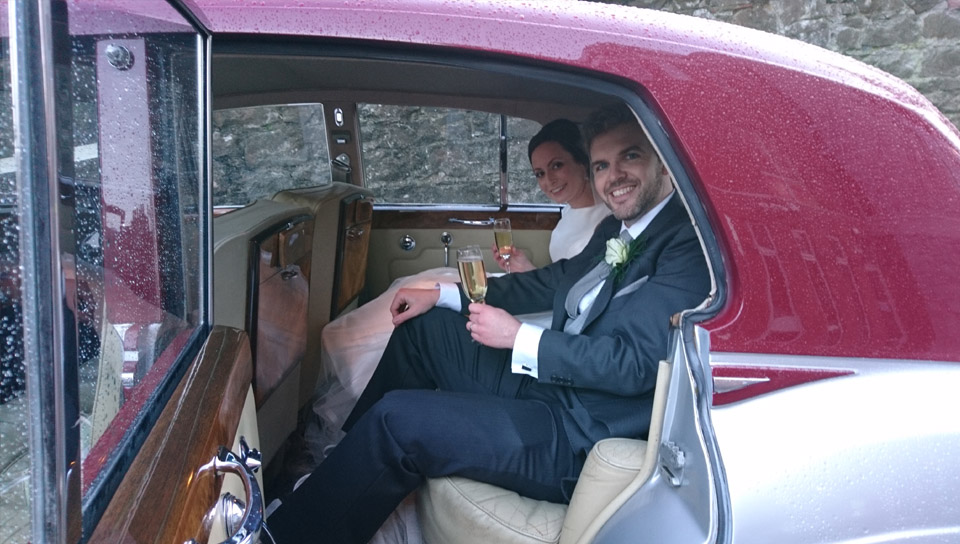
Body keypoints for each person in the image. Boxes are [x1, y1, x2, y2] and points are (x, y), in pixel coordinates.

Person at [269, 103, 711, 543]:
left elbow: (634, 362)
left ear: (660, 158)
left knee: (398, 421)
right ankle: (341, 466)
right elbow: (549, 281)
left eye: (629, 156)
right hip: (549, 387)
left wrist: (520, 337)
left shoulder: (688, 246)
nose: (613, 176)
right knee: (425, 330)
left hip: (578, 432)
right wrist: (441, 295)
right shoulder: (616, 230)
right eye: (602, 165)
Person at [309, 119, 609, 455]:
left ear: (583, 162)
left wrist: (515, 330)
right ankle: (359, 436)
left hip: (549, 340)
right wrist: (525, 269)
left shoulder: (606, 225)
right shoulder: (570, 215)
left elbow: (580, 305)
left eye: (557, 165)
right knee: (434, 293)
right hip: (545, 310)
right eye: (540, 173)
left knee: (436, 302)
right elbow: (564, 281)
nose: (549, 180)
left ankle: (359, 442)